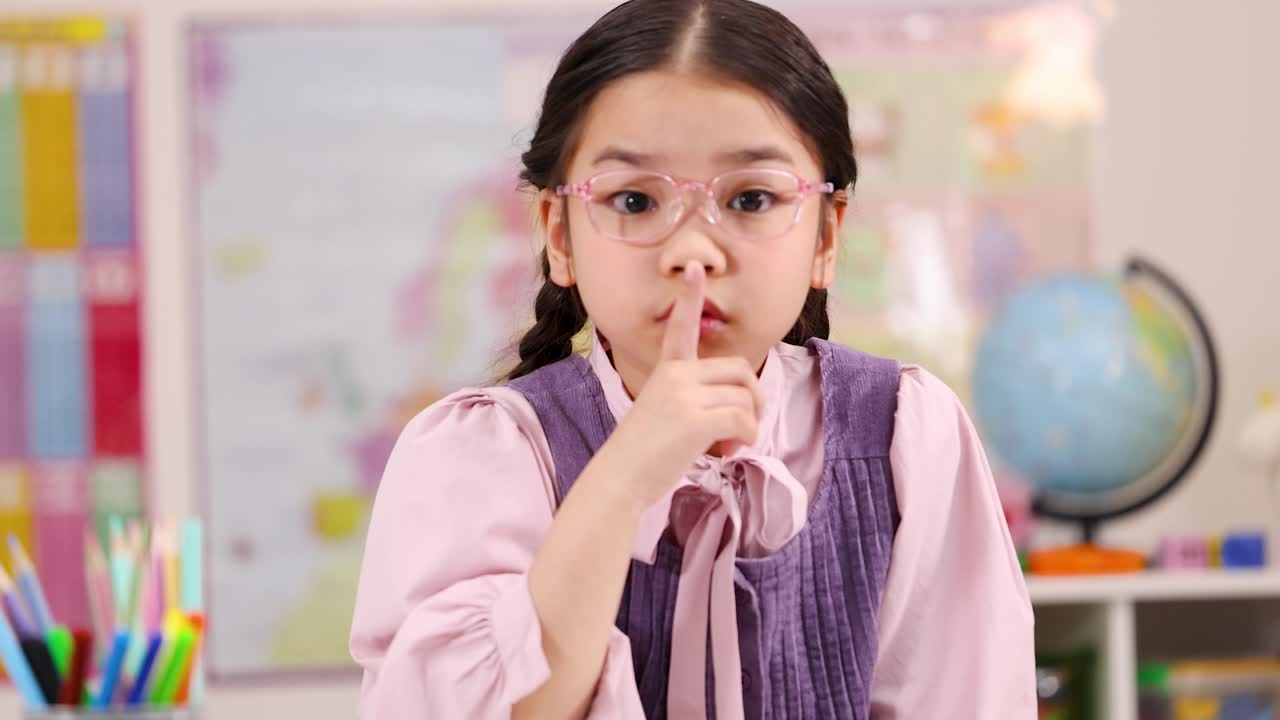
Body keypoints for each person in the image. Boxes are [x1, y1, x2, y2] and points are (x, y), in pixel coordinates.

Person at [350, 1, 1035, 717]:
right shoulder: (483, 454)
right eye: (636, 200)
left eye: (751, 197)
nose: (693, 251)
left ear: (827, 236)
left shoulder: (904, 435)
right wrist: (625, 475)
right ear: (560, 233)